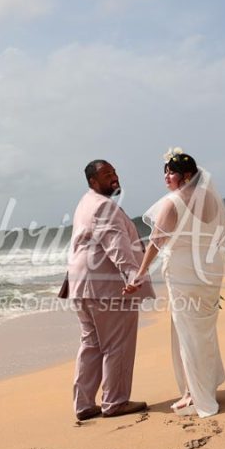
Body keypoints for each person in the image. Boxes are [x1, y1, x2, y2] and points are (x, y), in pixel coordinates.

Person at [124, 148, 225, 418]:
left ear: (187, 175)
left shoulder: (172, 203)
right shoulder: (211, 200)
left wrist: (139, 274)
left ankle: (197, 395)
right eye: (165, 171)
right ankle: (200, 386)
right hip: (209, 270)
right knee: (202, 330)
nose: (166, 176)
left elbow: (155, 243)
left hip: (184, 272)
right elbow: (219, 235)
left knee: (188, 332)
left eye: (171, 172)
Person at [65, 160, 155, 421]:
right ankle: (114, 402)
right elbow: (116, 244)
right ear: (93, 182)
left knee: (91, 343)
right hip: (106, 286)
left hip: (81, 285)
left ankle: (83, 405)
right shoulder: (103, 206)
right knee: (117, 343)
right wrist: (132, 275)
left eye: (115, 173)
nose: (114, 178)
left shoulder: (85, 202)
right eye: (107, 175)